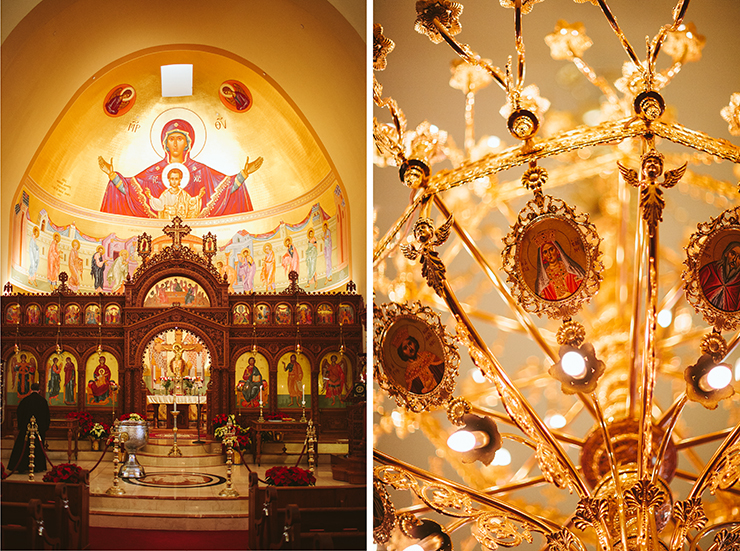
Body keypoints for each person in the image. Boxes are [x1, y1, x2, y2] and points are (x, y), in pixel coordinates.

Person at [98, 118, 262, 218]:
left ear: (188, 143)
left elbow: (224, 190)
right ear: (165, 143)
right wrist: (112, 175)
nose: (175, 143)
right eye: (171, 139)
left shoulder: (201, 171)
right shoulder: (153, 172)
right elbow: (132, 192)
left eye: (180, 139)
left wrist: (244, 173)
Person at [8, 383, 50, 473]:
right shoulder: (43, 401)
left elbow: (19, 413)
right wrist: (44, 428)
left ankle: (22, 467)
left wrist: (22, 425)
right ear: (39, 390)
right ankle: (38, 467)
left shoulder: (25, 401)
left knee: (23, 447)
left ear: (30, 390)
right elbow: (46, 416)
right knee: (38, 447)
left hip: (26, 430)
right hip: (38, 430)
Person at [394, 330, 444, 394]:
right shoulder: (409, 374)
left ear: (414, 343)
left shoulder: (428, 355)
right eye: (405, 348)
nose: (410, 348)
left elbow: (442, 369)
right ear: (402, 353)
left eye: (410, 344)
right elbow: (415, 394)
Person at [699, 241, 740, 311]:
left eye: (739, 258)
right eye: (732, 254)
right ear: (726, 253)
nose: (734, 259)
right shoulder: (710, 269)